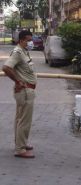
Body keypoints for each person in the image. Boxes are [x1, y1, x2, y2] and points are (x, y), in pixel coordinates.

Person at [2, 30, 36, 158]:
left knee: (20, 118)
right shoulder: (17, 52)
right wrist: (17, 81)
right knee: (24, 120)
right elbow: (6, 68)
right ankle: (20, 149)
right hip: (25, 91)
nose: (30, 42)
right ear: (21, 40)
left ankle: (20, 143)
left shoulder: (24, 52)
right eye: (28, 40)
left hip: (27, 89)